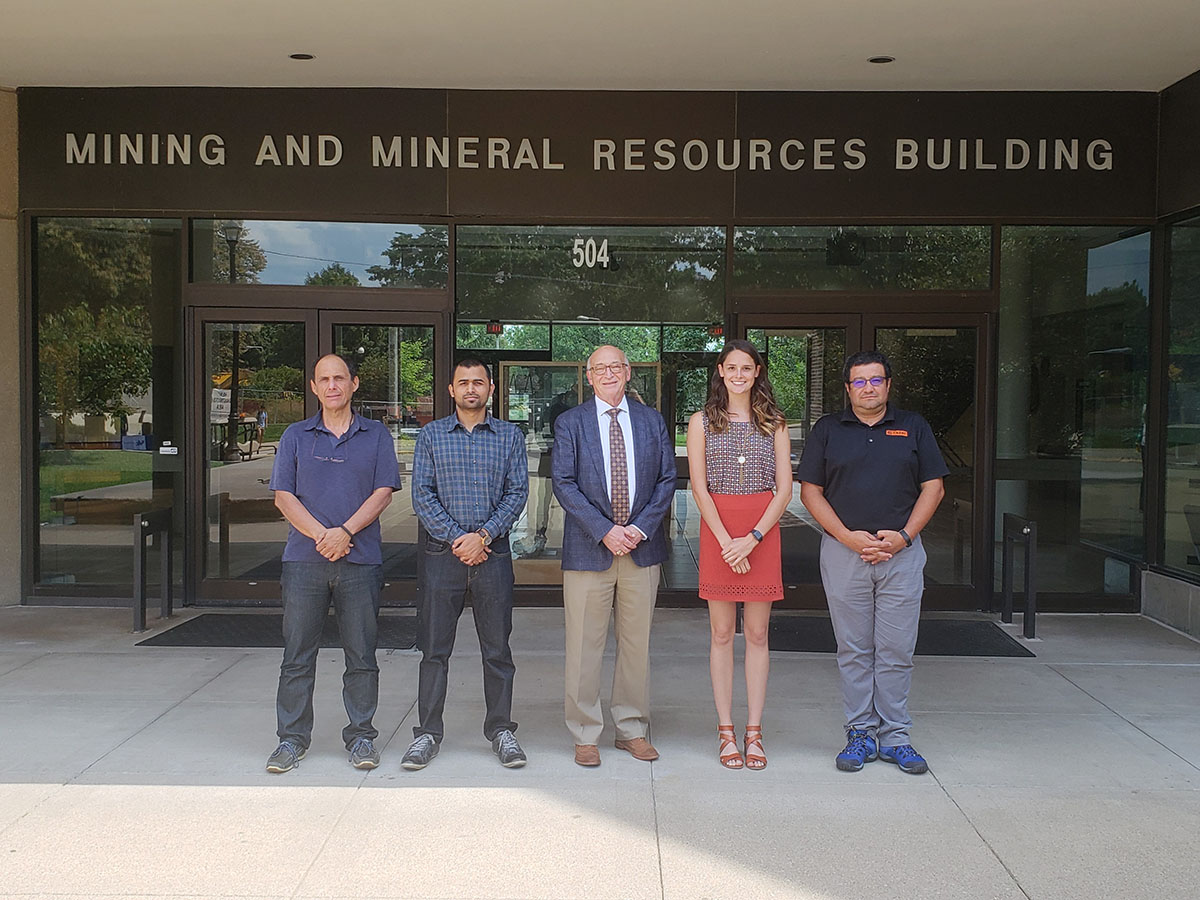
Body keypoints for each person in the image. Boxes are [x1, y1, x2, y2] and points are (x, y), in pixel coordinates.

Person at [797, 350, 947, 775]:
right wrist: (846, 537)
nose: (868, 388)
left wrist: (902, 538)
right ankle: (860, 732)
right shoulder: (828, 429)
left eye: (875, 380)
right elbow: (811, 492)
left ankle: (896, 735)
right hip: (845, 554)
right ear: (848, 388)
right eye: (859, 381)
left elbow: (932, 489)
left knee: (896, 650)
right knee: (854, 649)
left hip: (901, 554)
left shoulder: (913, 426)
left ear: (888, 385)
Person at [265, 354, 401, 774]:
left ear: (354, 384)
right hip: (304, 562)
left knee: (361, 656)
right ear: (314, 387)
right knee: (297, 656)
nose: (332, 386)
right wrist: (322, 536)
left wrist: (344, 532)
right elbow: (283, 497)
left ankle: (361, 737)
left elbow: (383, 492)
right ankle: (291, 740)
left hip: (360, 560)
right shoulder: (295, 435)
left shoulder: (375, 435)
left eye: (339, 378)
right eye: (324, 379)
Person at [401, 358, 530, 770]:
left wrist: (484, 536)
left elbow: (517, 492)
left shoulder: (509, 436)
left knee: (497, 650)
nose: (471, 389)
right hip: (443, 557)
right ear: (451, 390)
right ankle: (427, 734)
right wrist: (460, 539)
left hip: (493, 557)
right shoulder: (431, 436)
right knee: (435, 650)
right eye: (463, 383)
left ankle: (501, 730)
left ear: (491, 388)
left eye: (478, 382)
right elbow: (422, 495)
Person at [551, 345, 676, 767]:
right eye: (598, 368)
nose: (607, 374)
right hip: (590, 549)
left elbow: (666, 479)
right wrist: (605, 531)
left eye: (614, 367)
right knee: (583, 647)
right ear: (588, 377)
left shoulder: (651, 421)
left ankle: (632, 729)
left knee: (636, 645)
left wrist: (637, 529)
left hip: (642, 549)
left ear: (627, 372)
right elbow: (564, 483)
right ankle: (585, 733)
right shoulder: (570, 423)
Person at [686, 340, 791, 770]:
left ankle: (755, 731)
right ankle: (726, 729)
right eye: (732, 368)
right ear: (721, 371)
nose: (739, 375)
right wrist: (729, 540)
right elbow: (698, 486)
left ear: (757, 372)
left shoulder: (775, 422)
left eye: (747, 368)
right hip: (718, 530)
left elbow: (785, 489)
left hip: (760, 531)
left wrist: (752, 537)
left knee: (760, 634)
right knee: (722, 634)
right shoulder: (701, 422)